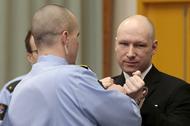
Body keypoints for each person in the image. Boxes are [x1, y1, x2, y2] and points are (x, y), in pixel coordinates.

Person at [3, 4, 143, 126]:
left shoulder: (17, 90)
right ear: (65, 38)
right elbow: (128, 120)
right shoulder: (76, 78)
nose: (77, 43)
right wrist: (127, 98)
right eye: (76, 36)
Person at [110, 15, 190, 126]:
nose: (130, 54)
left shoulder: (178, 90)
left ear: (154, 47)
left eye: (140, 45)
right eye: (124, 44)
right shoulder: (104, 88)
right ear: (115, 45)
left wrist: (141, 102)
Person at [0, 30, 38, 125]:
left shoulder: (75, 83)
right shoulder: (11, 91)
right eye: (39, 51)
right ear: (30, 57)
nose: (47, 55)